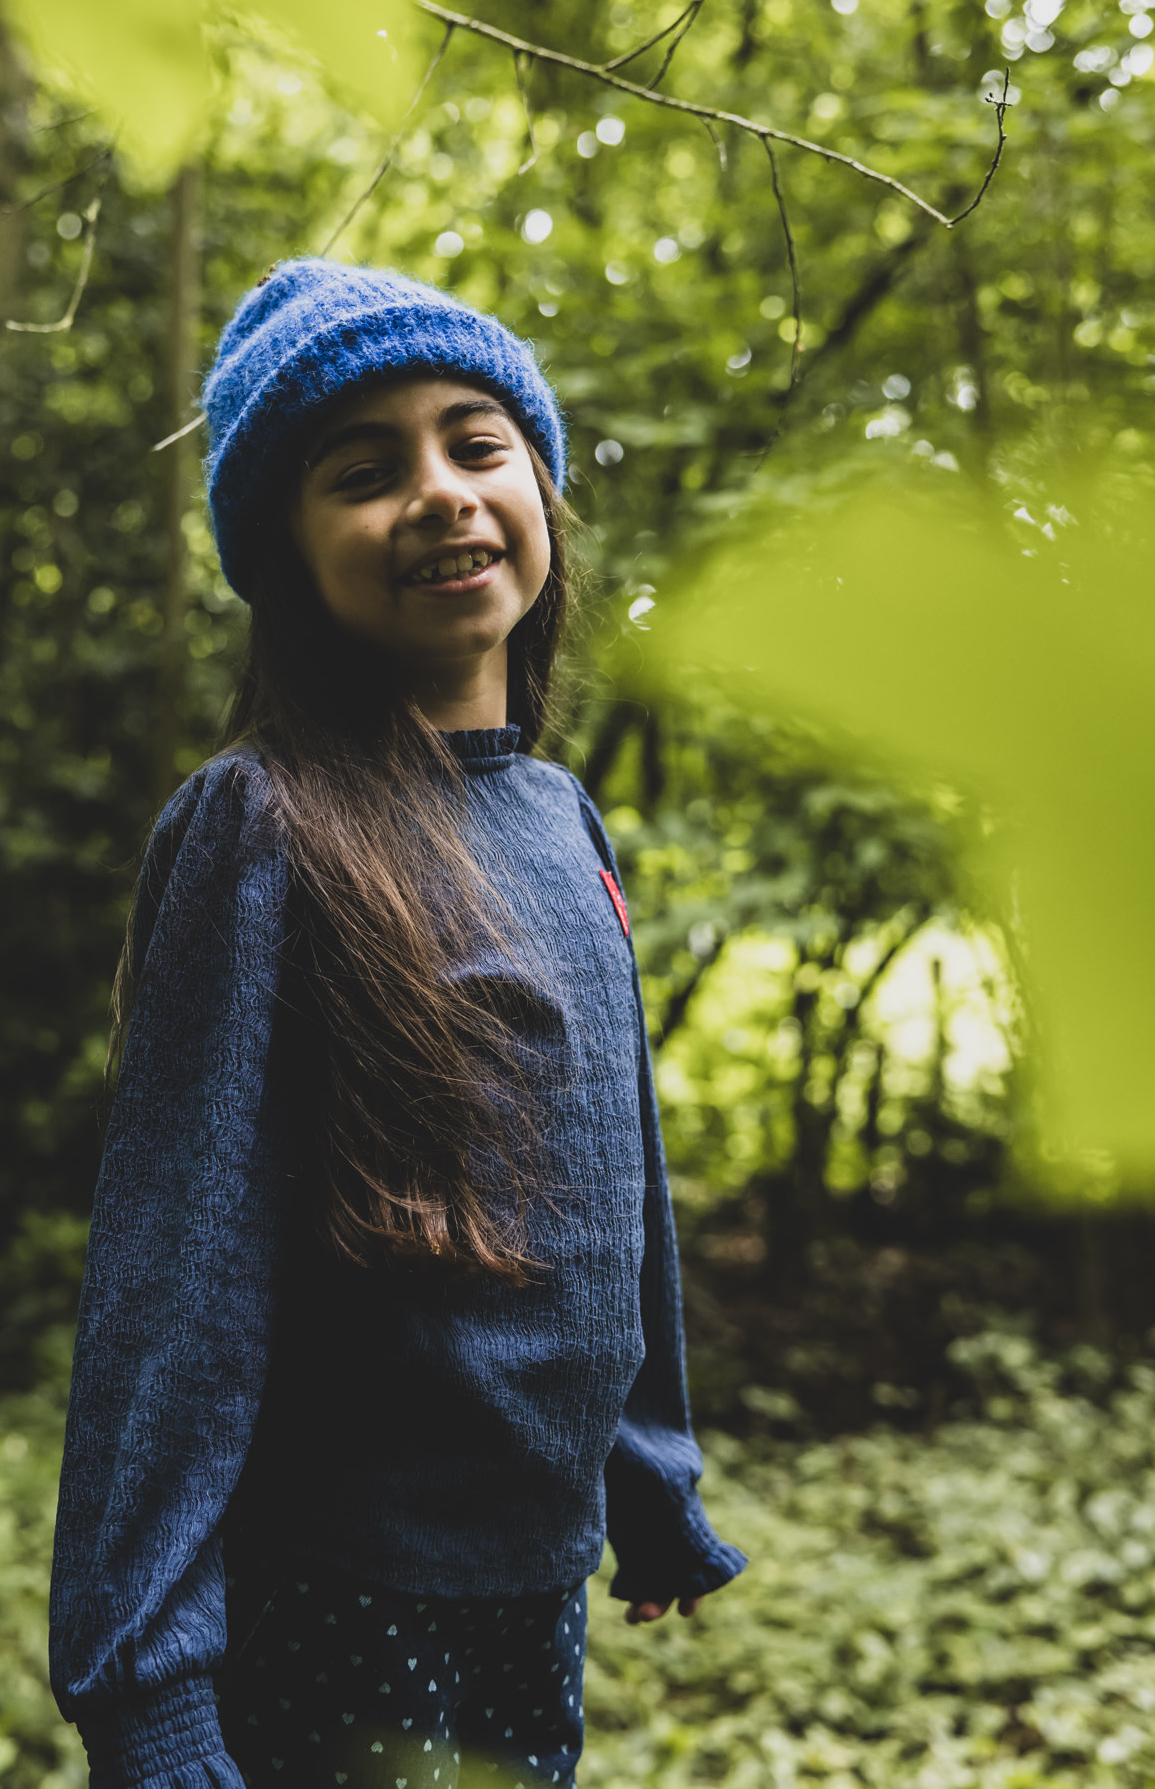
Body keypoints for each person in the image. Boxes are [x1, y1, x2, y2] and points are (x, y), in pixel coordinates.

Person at [49, 260, 745, 1789]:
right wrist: (144, 1688)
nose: (438, 494)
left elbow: (618, 1187)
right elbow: (177, 1272)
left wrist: (650, 1471)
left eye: (475, 443)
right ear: (283, 557)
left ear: (543, 495)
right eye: (363, 474)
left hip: (529, 1588)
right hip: (339, 1595)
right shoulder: (262, 826)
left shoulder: (567, 823)